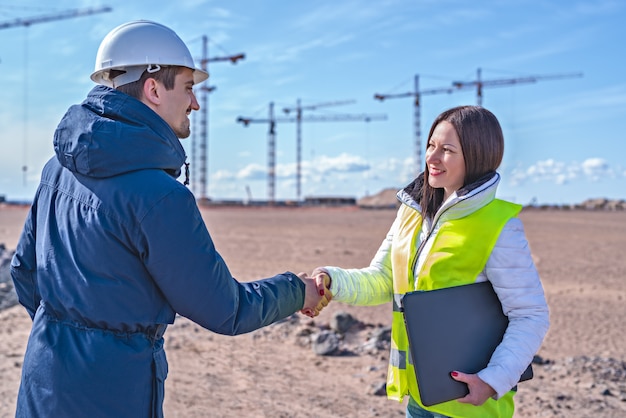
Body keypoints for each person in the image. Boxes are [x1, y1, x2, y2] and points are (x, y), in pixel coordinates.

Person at [10, 20, 327, 418]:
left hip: (43, 383)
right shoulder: (161, 196)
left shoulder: (56, 168)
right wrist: (297, 290)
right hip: (114, 393)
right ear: (154, 88)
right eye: (189, 88)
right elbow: (226, 310)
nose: (195, 103)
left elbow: (24, 271)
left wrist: (66, 330)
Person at [311, 105, 550, 418]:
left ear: (477, 156)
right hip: (420, 400)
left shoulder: (498, 225)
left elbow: (530, 314)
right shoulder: (411, 214)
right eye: (431, 146)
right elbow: (382, 279)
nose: (432, 158)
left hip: (470, 407)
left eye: (447, 150)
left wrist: (493, 380)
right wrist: (332, 280)